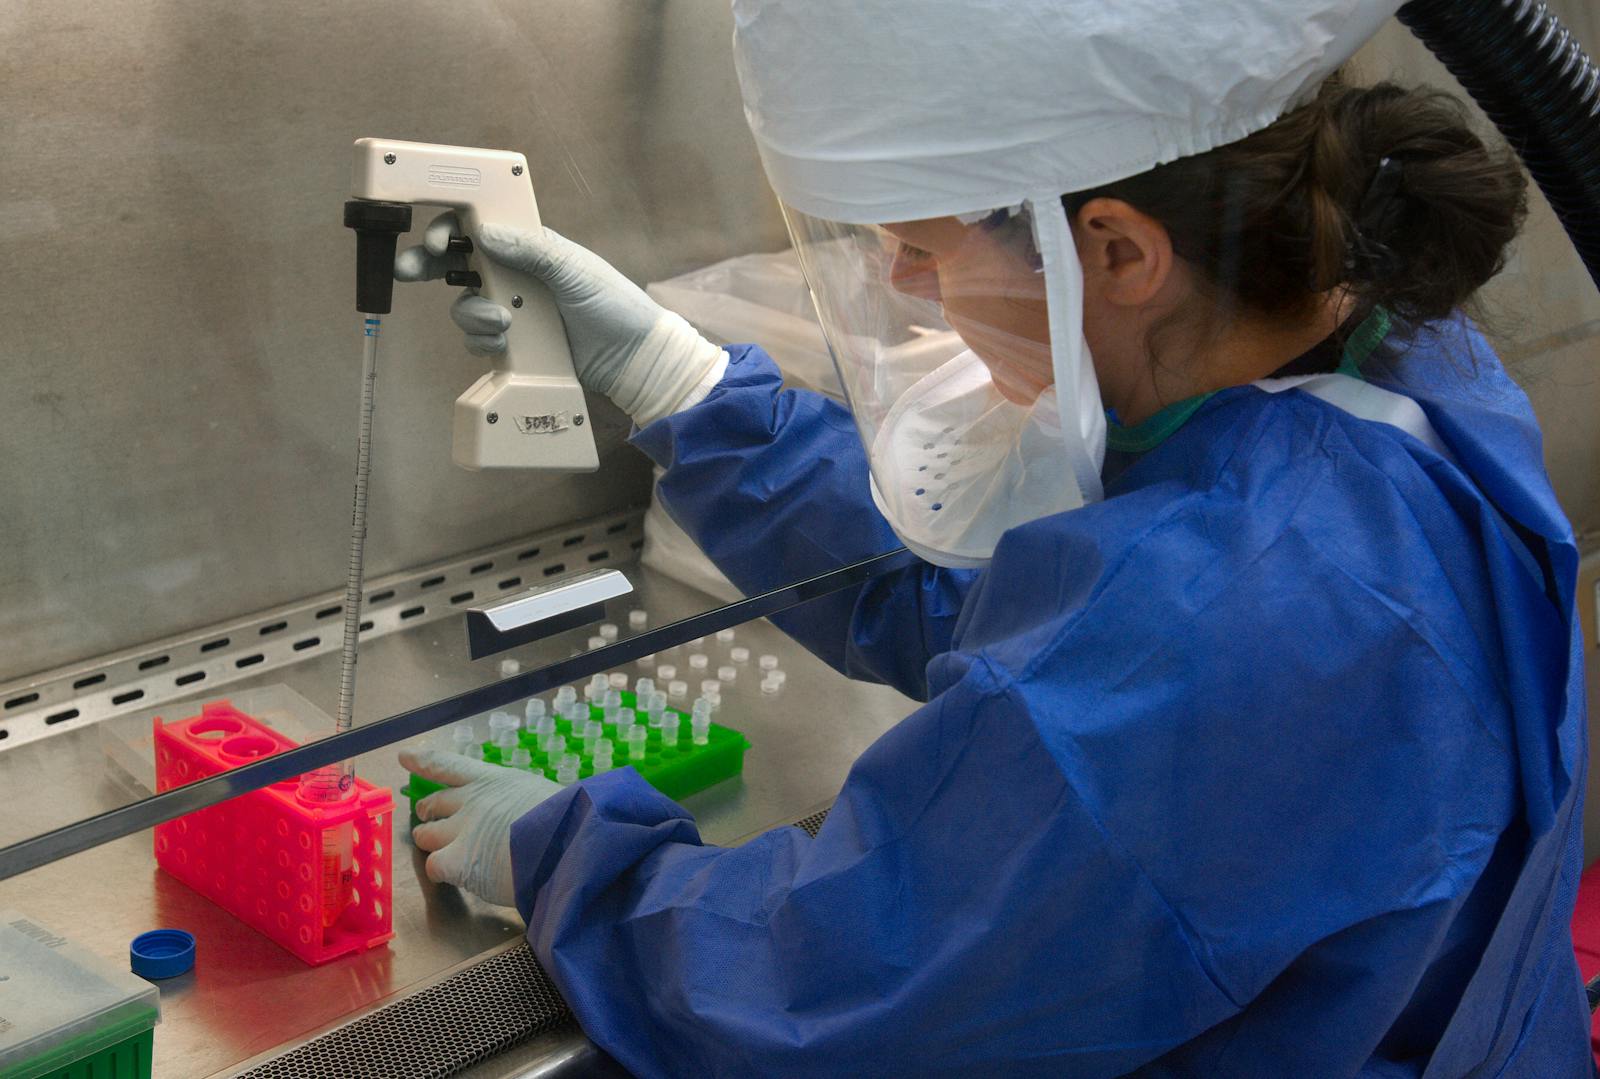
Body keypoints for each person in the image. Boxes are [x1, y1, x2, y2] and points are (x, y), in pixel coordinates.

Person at [398, 1, 1593, 1074]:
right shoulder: (1372, 365)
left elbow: (844, 995)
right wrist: (683, 386)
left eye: (920, 248)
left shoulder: (1224, 616)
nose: (903, 281)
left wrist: (567, 862)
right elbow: (1010, 588)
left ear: (1117, 251)